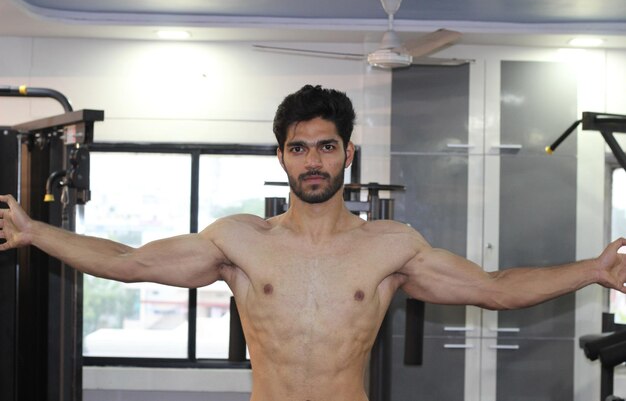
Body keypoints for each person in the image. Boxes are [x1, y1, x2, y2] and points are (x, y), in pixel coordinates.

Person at [0, 84, 625, 401]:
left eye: (327, 146)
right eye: (299, 148)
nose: (313, 160)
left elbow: (495, 290)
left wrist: (593, 271)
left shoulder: (391, 246)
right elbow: (127, 264)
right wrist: (33, 231)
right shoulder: (238, 239)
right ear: (282, 158)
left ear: (347, 154)